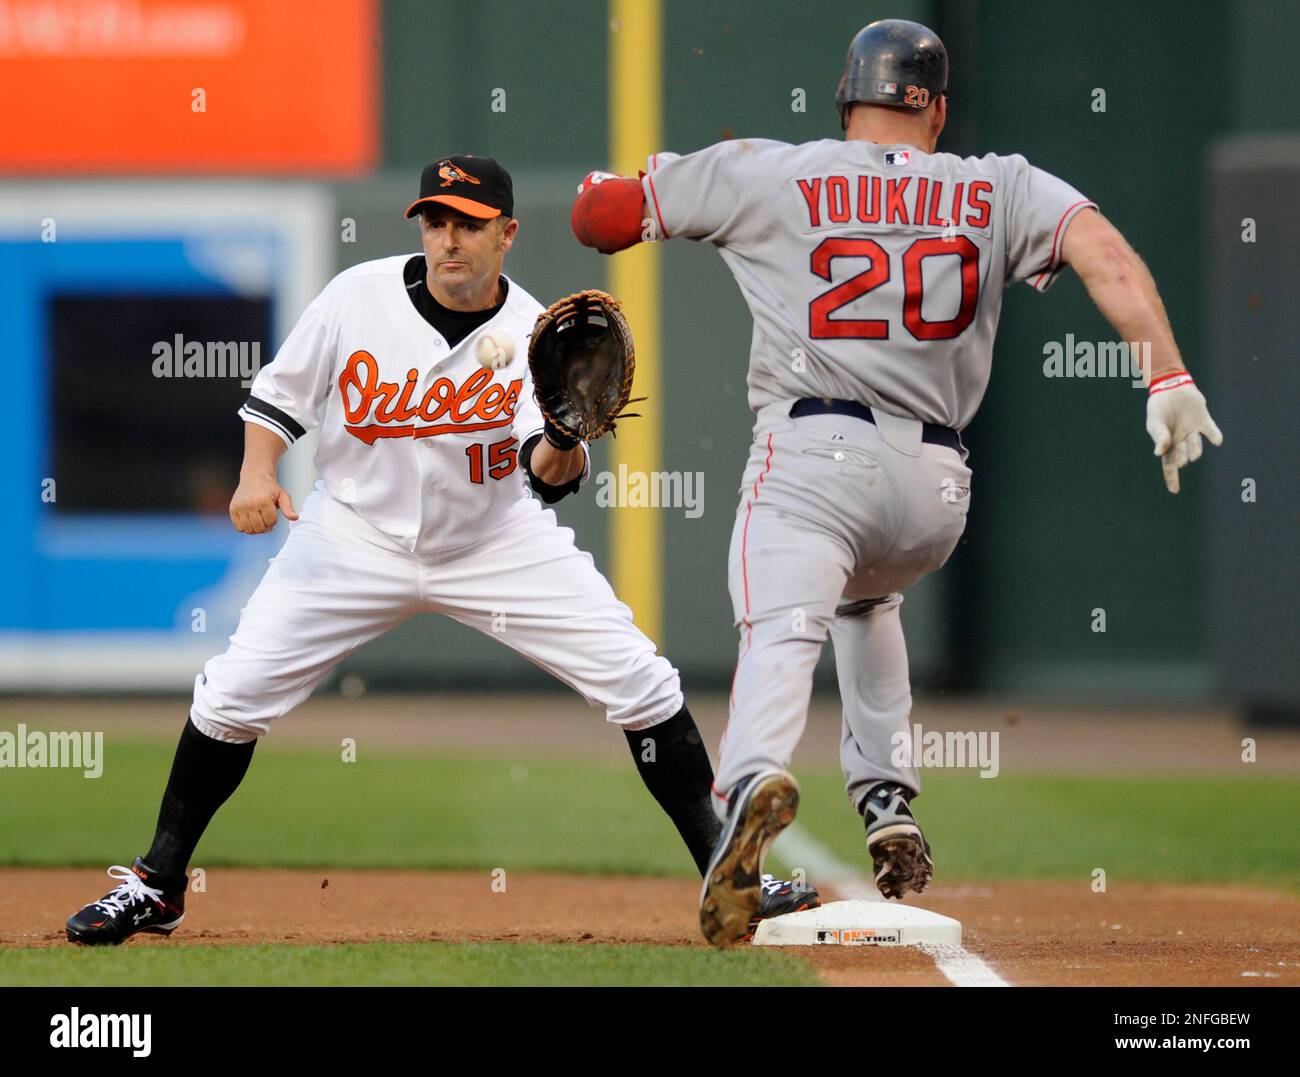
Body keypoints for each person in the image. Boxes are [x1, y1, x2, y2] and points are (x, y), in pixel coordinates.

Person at [570, 19, 1223, 947]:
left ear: (846, 101)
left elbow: (599, 218)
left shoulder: (774, 170)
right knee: (868, 604)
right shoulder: (999, 184)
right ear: (938, 111)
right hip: (936, 492)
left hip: (818, 453)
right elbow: (1102, 250)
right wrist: (1167, 375)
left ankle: (751, 778)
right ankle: (887, 801)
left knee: (781, 621)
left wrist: (635, 181)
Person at [66, 155, 817, 946]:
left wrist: (563, 432)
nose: (449, 238)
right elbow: (278, 398)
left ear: (508, 233)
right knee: (230, 696)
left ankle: (731, 876)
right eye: (436, 220)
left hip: (494, 540)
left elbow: (549, 478)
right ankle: (158, 884)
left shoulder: (536, 331)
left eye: (468, 222)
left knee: (641, 681)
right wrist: (257, 474)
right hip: (351, 532)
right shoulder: (357, 296)